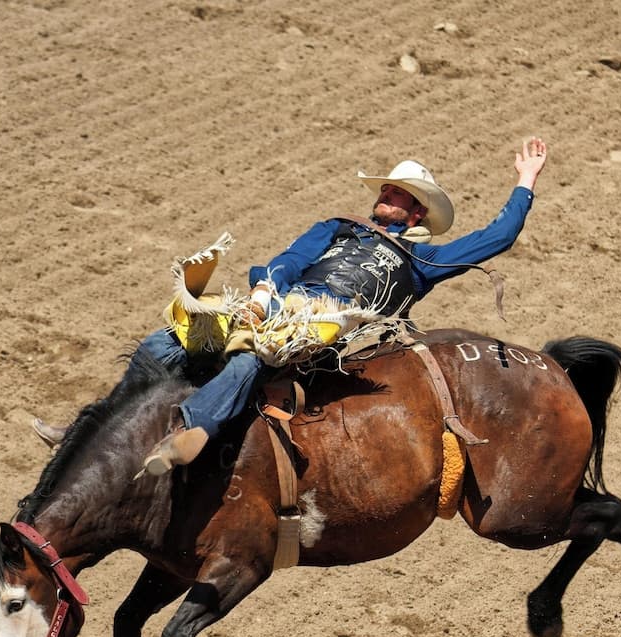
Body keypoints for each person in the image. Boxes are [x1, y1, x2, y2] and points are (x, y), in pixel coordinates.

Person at [33, 139, 549, 474]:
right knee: (165, 342)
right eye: (388, 187)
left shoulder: (422, 261)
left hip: (329, 332)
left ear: (416, 212)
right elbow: (291, 259)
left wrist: (525, 180)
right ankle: (88, 430)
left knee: (254, 358)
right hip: (280, 304)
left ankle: (192, 430)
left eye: (397, 192)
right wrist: (265, 293)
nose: (386, 193)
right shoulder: (338, 227)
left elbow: (497, 236)